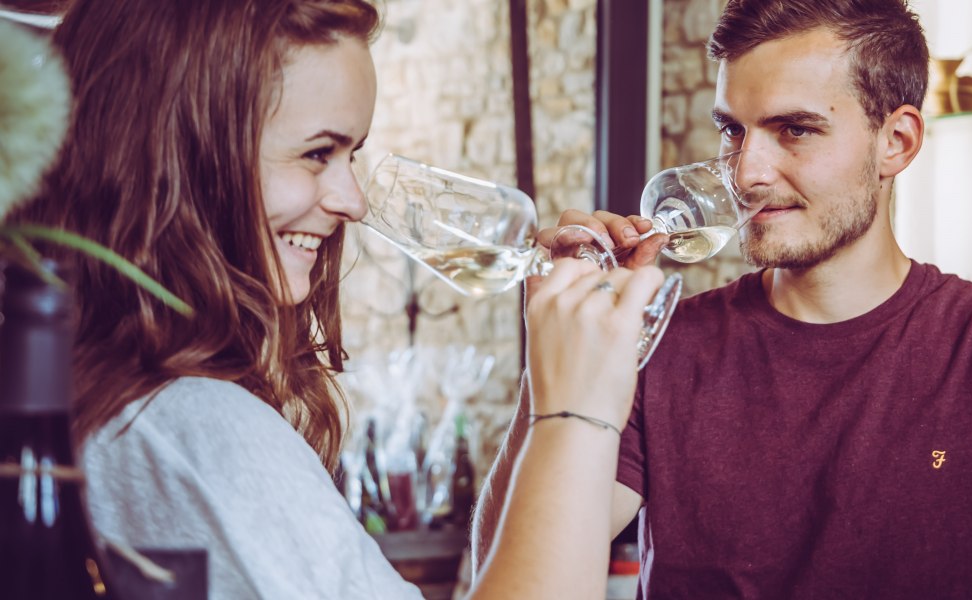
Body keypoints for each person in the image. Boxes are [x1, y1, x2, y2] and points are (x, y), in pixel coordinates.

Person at [473, 1, 972, 598]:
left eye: (794, 129)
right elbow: (503, 574)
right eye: (733, 130)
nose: (747, 173)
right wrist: (559, 352)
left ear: (897, 142)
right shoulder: (662, 344)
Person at [6, 0, 662, 598]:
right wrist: (576, 417)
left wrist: (549, 391)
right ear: (182, 157)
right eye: (318, 153)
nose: (352, 200)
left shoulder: (96, 399)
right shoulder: (195, 426)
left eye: (352, 155)